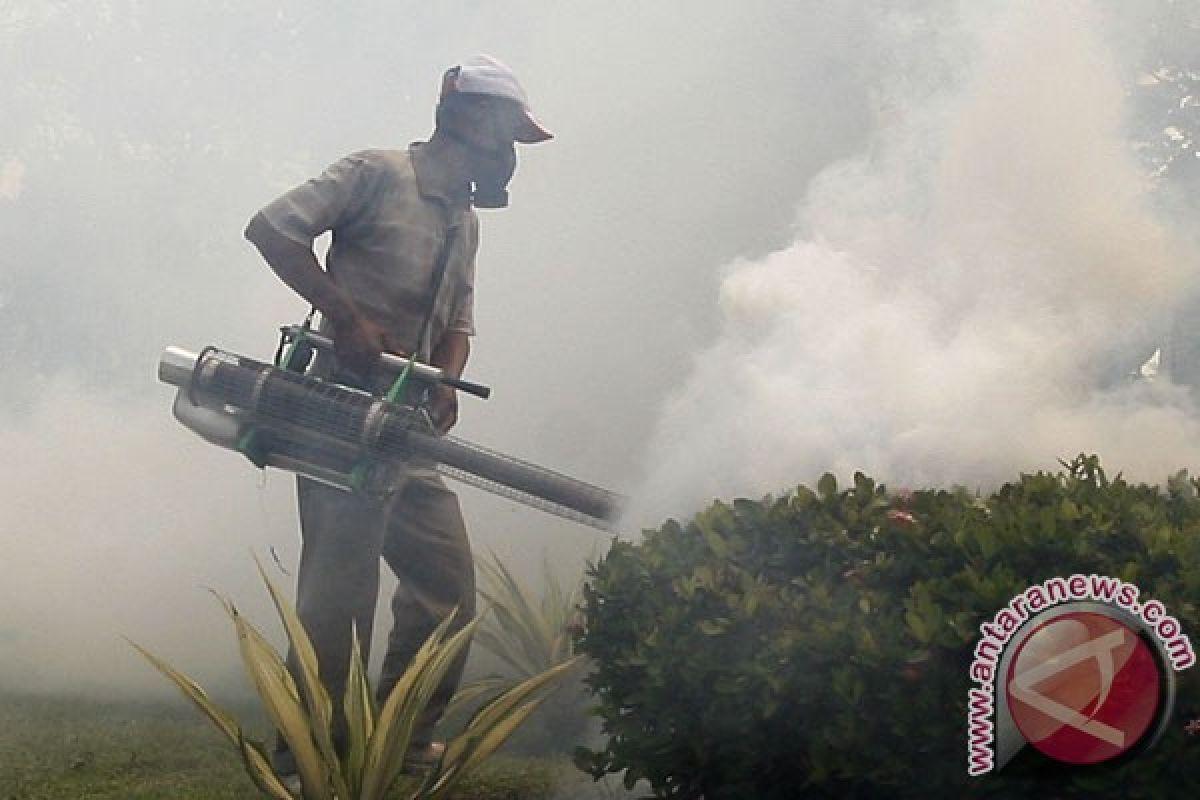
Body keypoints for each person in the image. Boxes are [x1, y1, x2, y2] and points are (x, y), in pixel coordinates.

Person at [243, 55, 552, 781]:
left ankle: (404, 737)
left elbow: (460, 319)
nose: (510, 153)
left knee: (447, 588)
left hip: (408, 420)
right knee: (339, 590)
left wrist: (447, 382)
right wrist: (344, 316)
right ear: (467, 119)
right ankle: (308, 753)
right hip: (336, 410)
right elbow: (273, 229)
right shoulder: (376, 173)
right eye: (506, 132)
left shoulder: (465, 221)